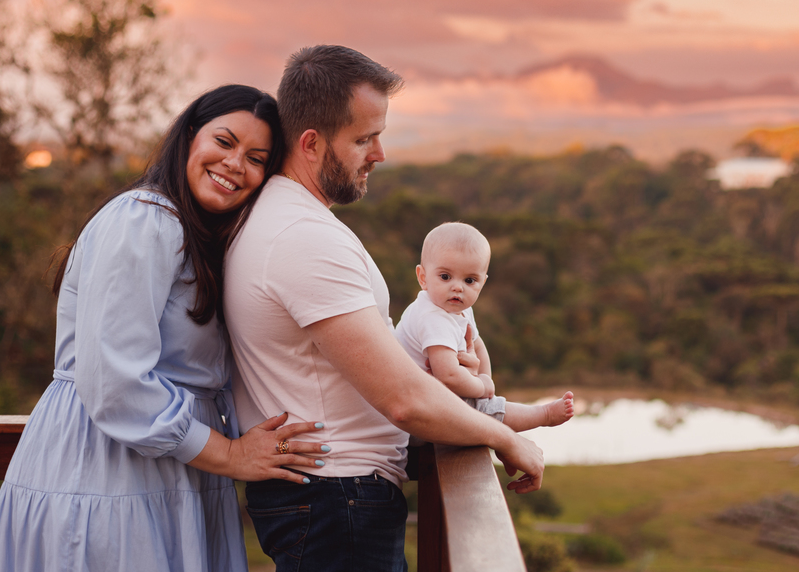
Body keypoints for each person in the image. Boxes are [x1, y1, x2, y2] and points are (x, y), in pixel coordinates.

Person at [224, 45, 545, 572]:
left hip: (332, 498)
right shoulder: (302, 238)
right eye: (364, 139)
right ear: (311, 143)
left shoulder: (283, 220)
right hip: (337, 500)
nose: (380, 153)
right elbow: (401, 400)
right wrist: (504, 437)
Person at [0, 85, 329, 572]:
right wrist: (231, 455)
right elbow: (116, 383)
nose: (235, 164)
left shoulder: (204, 238)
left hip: (177, 475)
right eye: (224, 141)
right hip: (107, 470)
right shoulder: (145, 220)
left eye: (256, 159)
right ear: (189, 136)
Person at [395, 222, 575, 431]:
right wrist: (481, 387)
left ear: (483, 283)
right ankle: (543, 415)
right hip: (415, 408)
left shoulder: (460, 310)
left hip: (433, 397)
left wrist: (486, 381)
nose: (458, 287)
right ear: (423, 277)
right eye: (445, 277)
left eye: (469, 280)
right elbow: (449, 376)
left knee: (483, 404)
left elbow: (478, 345)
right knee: (481, 411)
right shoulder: (432, 317)